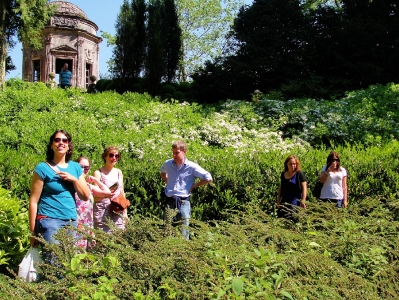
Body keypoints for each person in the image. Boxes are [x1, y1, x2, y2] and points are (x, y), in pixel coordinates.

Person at [29, 130, 90, 248]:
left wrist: (74, 180)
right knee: (54, 261)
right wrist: (32, 232)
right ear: (52, 145)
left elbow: (85, 196)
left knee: (68, 261)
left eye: (64, 140)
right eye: (57, 140)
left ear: (68, 146)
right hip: (50, 220)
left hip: (71, 221)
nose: (61, 143)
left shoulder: (75, 167)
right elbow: (33, 201)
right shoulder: (42, 168)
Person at [160, 140, 212, 240]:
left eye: (177, 152)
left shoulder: (192, 167)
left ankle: (183, 253)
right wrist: (167, 181)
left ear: (184, 152)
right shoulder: (168, 164)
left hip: (183, 202)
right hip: (170, 201)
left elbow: (208, 178)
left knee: (183, 232)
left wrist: (194, 185)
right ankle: (167, 254)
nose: (174, 155)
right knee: (167, 230)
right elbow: (162, 172)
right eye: (173, 152)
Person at [75, 156, 113, 249]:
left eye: (86, 167)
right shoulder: (73, 183)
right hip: (75, 225)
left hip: (88, 225)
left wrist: (96, 180)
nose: (83, 169)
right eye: (80, 166)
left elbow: (108, 192)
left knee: (87, 258)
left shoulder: (89, 187)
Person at [93, 146, 128, 232]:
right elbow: (95, 195)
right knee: (103, 240)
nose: (114, 158)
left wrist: (125, 213)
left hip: (118, 210)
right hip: (102, 211)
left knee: (119, 239)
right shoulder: (98, 173)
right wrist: (106, 195)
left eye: (117, 156)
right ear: (105, 156)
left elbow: (122, 193)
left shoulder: (119, 172)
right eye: (111, 155)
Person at [277, 155, 307, 221]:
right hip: (284, 202)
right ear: (286, 164)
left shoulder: (299, 174)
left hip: (295, 203)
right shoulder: (283, 174)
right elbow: (281, 188)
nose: (293, 166)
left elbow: (304, 188)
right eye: (291, 164)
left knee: (293, 220)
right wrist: (278, 200)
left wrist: (303, 201)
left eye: (294, 164)